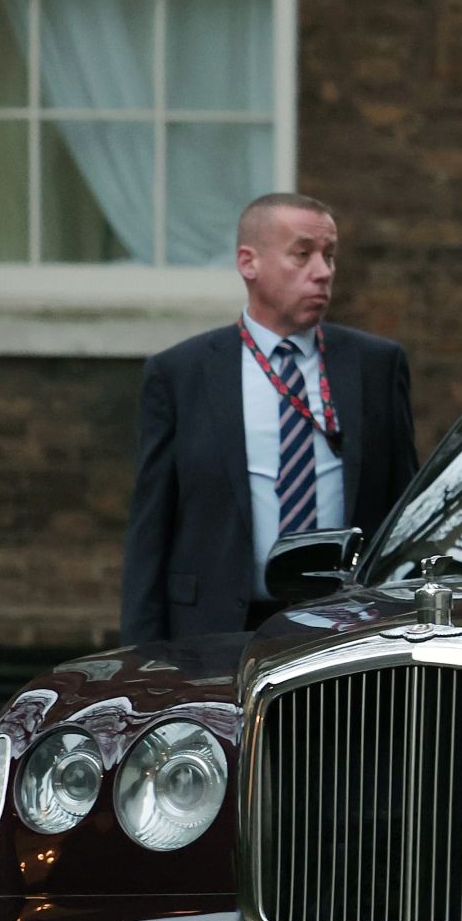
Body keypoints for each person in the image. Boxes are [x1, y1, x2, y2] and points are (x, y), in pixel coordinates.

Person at [121, 194, 418, 643]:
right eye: (303, 254)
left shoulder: (375, 366)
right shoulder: (182, 373)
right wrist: (140, 655)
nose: (323, 272)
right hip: (219, 628)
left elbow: (405, 513)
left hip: (350, 628)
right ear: (249, 263)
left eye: (329, 256)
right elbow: (151, 530)